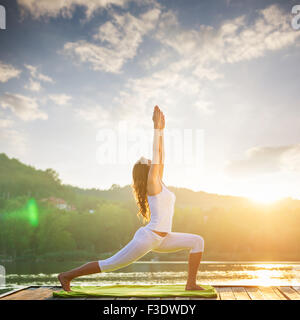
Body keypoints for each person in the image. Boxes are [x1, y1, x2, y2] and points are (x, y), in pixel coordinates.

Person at [58, 106, 205, 291]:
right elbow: (157, 154)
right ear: (146, 171)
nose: (152, 160)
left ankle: (190, 284)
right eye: (148, 161)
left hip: (163, 238)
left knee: (197, 241)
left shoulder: (159, 182)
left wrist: (163, 130)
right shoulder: (153, 184)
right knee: (110, 264)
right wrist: (156, 129)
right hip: (148, 238)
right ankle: (66, 276)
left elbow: (162, 154)